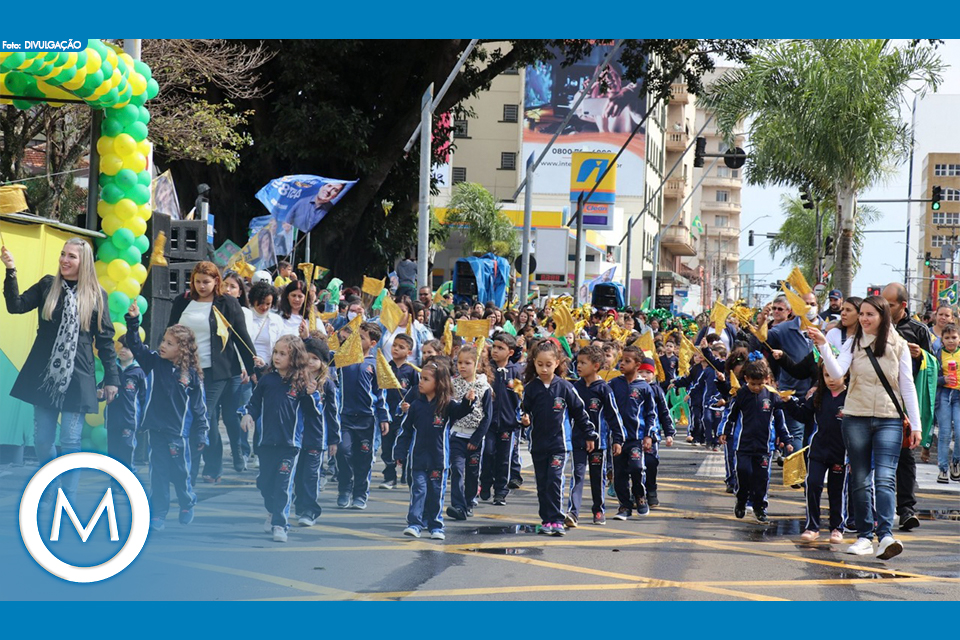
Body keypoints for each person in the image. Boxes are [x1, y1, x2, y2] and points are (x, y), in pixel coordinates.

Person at [3, 238, 119, 504]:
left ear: (84, 262)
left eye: (72, 256)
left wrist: (112, 378)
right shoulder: (47, 285)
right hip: (44, 375)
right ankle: (51, 479)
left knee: (70, 439)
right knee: (42, 440)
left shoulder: (96, 294)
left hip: (78, 377)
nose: (65, 260)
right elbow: (16, 306)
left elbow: (105, 340)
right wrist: (11, 271)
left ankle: (68, 495)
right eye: (63, 254)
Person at [812, 294, 922, 560]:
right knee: (860, 479)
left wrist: (916, 425)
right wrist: (825, 347)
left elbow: (907, 385)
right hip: (855, 417)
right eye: (862, 314)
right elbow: (837, 374)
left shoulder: (899, 346)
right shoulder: (854, 342)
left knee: (885, 478)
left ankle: (885, 536)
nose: (863, 319)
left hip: (889, 419)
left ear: (883, 317)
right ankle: (863, 536)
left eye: (869, 314)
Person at [168, 261, 256, 485]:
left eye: (206, 282)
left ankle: (199, 468)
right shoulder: (183, 301)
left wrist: (253, 367)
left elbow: (240, 336)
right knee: (200, 418)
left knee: (204, 417)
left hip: (218, 372)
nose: (201, 286)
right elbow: (170, 331)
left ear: (216, 281)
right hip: (187, 369)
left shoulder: (227, 303)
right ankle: (207, 462)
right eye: (197, 282)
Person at [124, 303, 208, 531]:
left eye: (169, 344)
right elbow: (135, 345)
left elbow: (200, 408)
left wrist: (201, 433)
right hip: (155, 430)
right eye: (163, 341)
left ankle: (187, 501)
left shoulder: (191, 375)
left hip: (178, 434)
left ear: (182, 349)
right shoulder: (153, 363)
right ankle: (158, 513)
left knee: (180, 473)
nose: (162, 346)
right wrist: (133, 321)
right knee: (158, 474)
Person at [240, 335, 315, 543]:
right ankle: (272, 511)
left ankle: (280, 524)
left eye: (283, 354)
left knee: (283, 486)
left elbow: (313, 413)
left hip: (289, 446)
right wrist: (248, 415)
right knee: (264, 483)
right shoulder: (267, 380)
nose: (277, 357)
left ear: (295, 357)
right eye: (276, 353)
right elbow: (254, 403)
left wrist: (312, 395)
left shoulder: (302, 382)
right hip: (266, 443)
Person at [520, 339, 598, 536]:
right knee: (543, 483)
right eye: (540, 364)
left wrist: (590, 434)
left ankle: (556, 519)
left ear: (557, 363)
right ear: (534, 363)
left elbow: (580, 412)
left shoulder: (564, 387)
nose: (544, 369)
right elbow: (521, 411)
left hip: (559, 445)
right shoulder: (530, 388)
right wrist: (523, 419)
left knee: (555, 479)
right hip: (538, 445)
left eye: (549, 364)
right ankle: (546, 519)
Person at [394, 359, 476, 540]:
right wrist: (399, 453)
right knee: (419, 491)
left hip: (439, 459)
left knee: (436, 492)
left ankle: (436, 525)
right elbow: (405, 431)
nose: (420, 383)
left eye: (425, 379)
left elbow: (462, 410)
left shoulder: (446, 404)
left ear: (438, 383)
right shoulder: (416, 405)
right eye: (420, 378)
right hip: (418, 459)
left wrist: (469, 401)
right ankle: (415, 524)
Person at [719, 357, 793, 524]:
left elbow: (780, 421)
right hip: (743, 445)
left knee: (761, 478)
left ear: (766, 379)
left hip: (763, 446)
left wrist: (787, 440)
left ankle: (760, 507)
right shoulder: (741, 395)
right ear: (746, 379)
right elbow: (731, 416)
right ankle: (741, 500)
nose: (757, 387)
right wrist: (725, 432)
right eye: (753, 384)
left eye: (760, 384)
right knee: (743, 473)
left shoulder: (773, 396)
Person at [881, 282, 928, 532]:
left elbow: (931, 369)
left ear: (903, 305)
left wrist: (920, 356)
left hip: (904, 404)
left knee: (905, 456)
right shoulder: (876, 326)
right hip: (878, 401)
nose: (885, 310)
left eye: (890, 306)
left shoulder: (918, 330)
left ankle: (907, 509)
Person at [785, 365, 848, 543]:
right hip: (819, 450)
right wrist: (788, 401)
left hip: (840, 452)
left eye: (834, 375)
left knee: (837, 490)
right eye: (826, 375)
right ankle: (812, 526)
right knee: (812, 484)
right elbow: (803, 415)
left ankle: (837, 527)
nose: (830, 380)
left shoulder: (852, 396)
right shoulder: (817, 395)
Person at [336, 322, 390, 510]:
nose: (356, 340)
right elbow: (320, 358)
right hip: (345, 417)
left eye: (361, 337)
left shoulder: (374, 364)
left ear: (373, 343)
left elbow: (380, 393)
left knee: (364, 458)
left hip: (367, 419)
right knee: (343, 451)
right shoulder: (343, 360)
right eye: (355, 336)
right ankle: (344, 489)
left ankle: (360, 494)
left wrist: (383, 417)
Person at [570, 345, 624, 526]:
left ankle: (599, 510)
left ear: (596, 365)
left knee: (597, 478)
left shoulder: (604, 389)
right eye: (578, 362)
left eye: (583, 363)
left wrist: (618, 439)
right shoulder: (574, 388)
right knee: (577, 475)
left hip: (599, 443)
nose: (579, 366)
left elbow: (613, 416)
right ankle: (573, 512)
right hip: (577, 440)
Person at [608, 346, 658, 520]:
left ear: (638, 364)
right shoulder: (614, 384)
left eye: (627, 361)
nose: (622, 364)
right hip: (617, 439)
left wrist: (648, 436)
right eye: (621, 360)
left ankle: (640, 495)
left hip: (636, 439)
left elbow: (651, 413)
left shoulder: (644, 388)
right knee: (619, 473)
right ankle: (624, 506)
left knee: (637, 468)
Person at [294, 337, 340, 527]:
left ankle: (310, 510)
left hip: (317, 438)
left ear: (323, 362)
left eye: (315, 358)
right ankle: (300, 505)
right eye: (307, 357)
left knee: (311, 475)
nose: (310, 362)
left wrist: (334, 440)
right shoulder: (295, 381)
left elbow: (333, 413)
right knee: (297, 474)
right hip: (295, 437)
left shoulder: (327, 384)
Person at [446, 344, 492, 521]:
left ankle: (469, 499)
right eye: (459, 362)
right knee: (457, 470)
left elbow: (487, 416)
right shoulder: (453, 384)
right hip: (457, 435)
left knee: (472, 473)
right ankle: (458, 505)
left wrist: (477, 437)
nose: (462, 366)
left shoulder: (484, 387)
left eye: (467, 363)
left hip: (474, 437)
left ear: (476, 364)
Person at [481, 332, 524, 505]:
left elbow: (521, 398)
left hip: (507, 424)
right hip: (488, 423)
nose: (495, 351)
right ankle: (485, 483)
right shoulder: (486, 370)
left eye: (501, 348)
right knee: (488, 452)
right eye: (494, 347)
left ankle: (500, 491)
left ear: (510, 352)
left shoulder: (516, 372)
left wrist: (523, 416)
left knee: (504, 459)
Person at [102, 333, 147, 476]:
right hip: (113, 418)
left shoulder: (139, 372)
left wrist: (144, 420)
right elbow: (102, 387)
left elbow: (144, 397)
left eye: (127, 348)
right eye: (121, 346)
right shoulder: (111, 369)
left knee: (127, 448)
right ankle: (115, 481)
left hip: (129, 419)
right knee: (113, 450)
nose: (123, 350)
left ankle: (128, 476)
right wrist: (99, 393)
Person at [380, 333, 419, 490]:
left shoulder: (412, 371)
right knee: (387, 446)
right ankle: (389, 476)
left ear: (409, 352)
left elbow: (417, 392)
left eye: (401, 347)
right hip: (387, 413)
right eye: (394, 345)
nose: (396, 349)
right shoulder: (385, 367)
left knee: (404, 444)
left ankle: (405, 470)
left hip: (405, 416)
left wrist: (411, 406)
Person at [638, 356, 676, 507]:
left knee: (651, 463)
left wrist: (669, 433)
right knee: (635, 466)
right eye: (640, 372)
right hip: (634, 433)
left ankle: (651, 491)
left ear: (653, 374)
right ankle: (637, 493)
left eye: (647, 372)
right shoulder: (633, 388)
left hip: (652, 434)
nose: (643, 376)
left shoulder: (656, 390)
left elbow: (664, 413)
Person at [933, 323, 960, 484]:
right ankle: (943, 468)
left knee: (959, 430)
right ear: (942, 340)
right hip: (943, 395)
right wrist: (943, 380)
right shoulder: (937, 355)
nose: (951, 341)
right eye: (947, 338)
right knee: (944, 433)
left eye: (954, 337)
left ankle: (955, 462)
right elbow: (931, 380)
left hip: (959, 395)